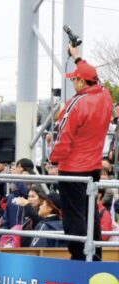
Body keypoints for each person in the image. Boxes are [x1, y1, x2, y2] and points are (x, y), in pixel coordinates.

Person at [49, 44, 113, 260]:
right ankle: (95, 258)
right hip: (93, 168)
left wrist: (53, 160)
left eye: (74, 79)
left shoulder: (76, 104)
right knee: (91, 215)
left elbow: (63, 137)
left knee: (73, 217)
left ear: (82, 82)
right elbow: (96, 78)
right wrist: (77, 59)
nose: (72, 82)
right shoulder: (105, 96)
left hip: (72, 169)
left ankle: (78, 259)